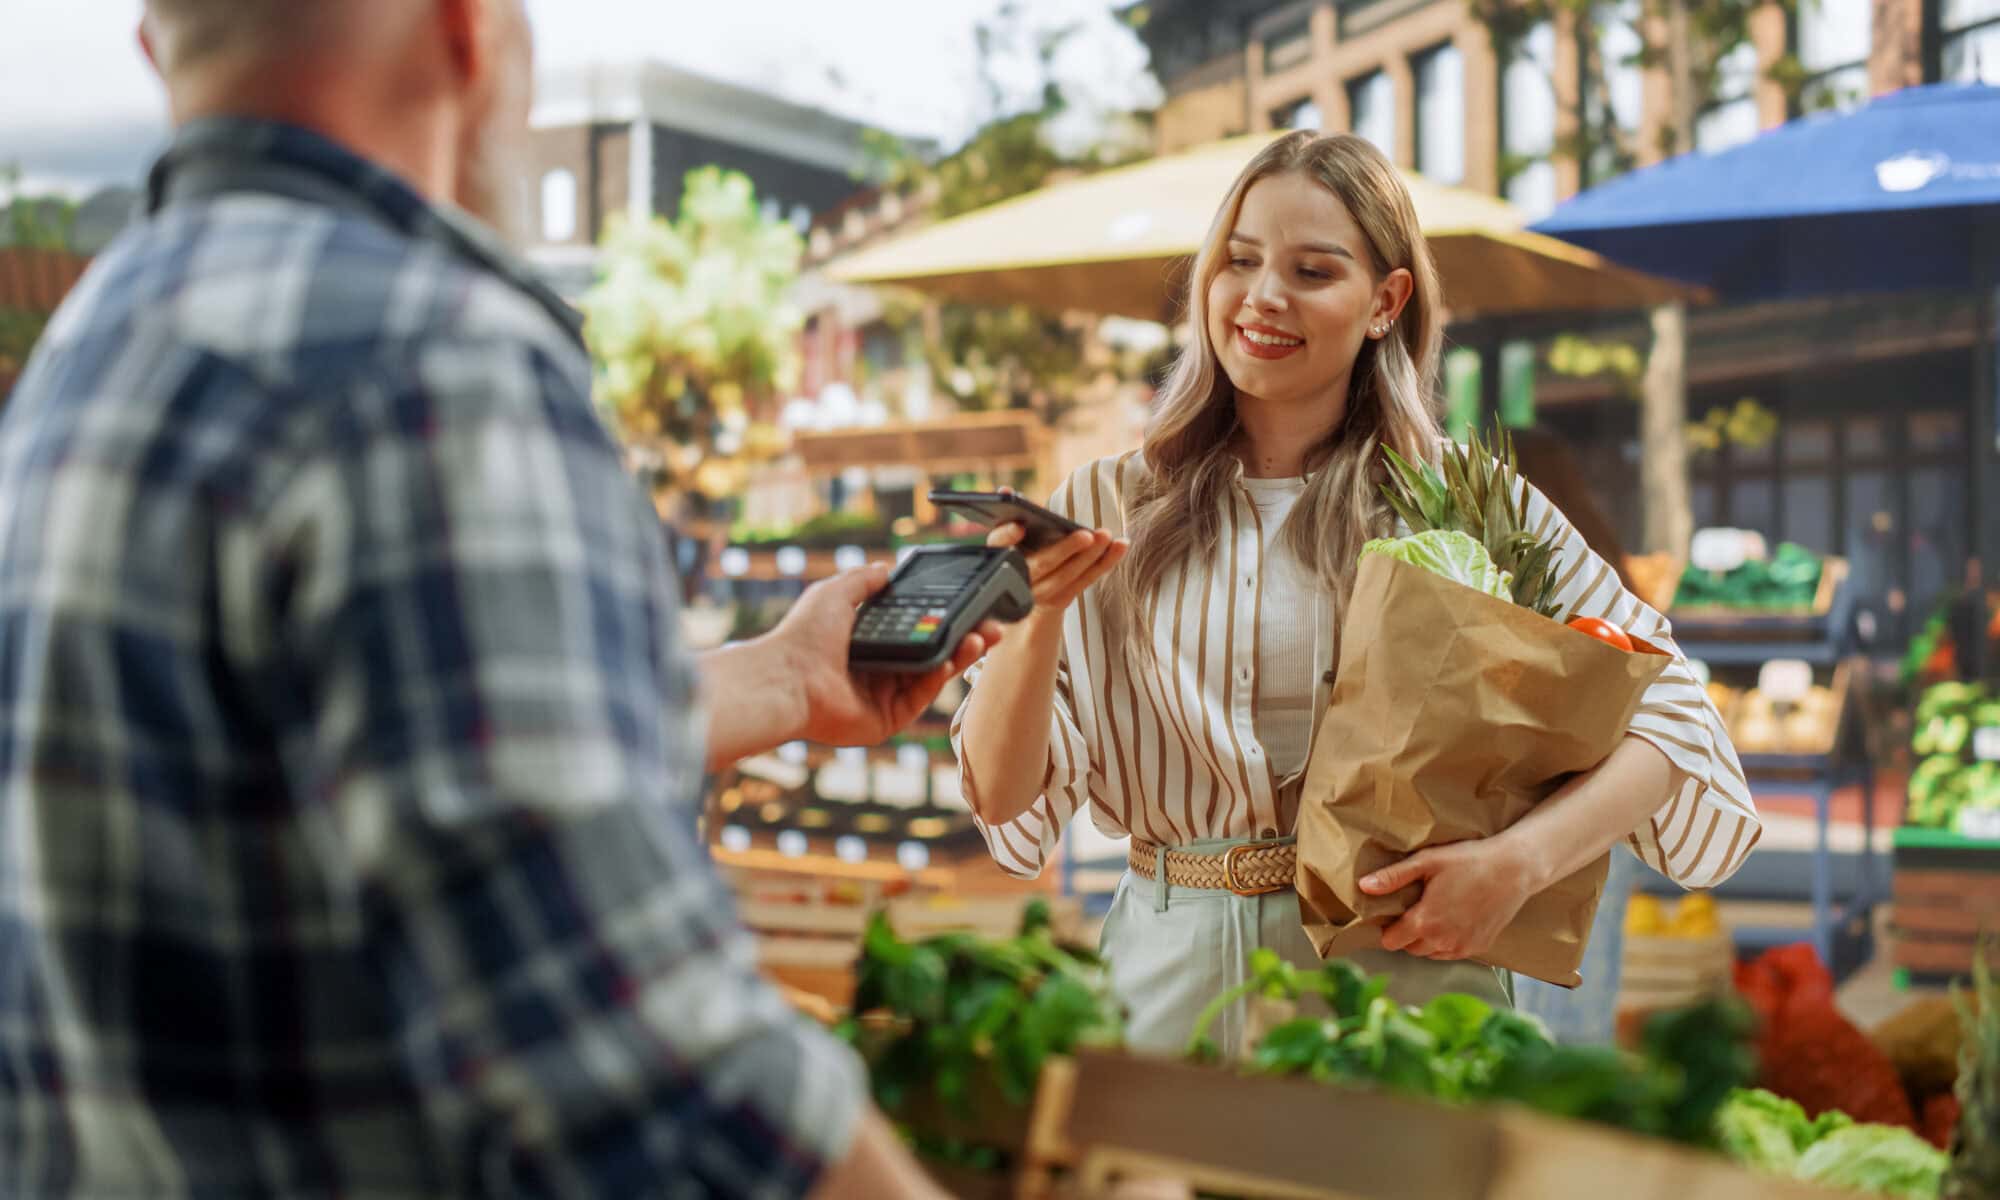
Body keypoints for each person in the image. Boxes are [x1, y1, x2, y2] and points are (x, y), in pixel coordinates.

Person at [0, 2, 980, 1196]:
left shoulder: (93, 345)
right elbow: (635, 1057)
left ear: (164, 52)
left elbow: (344, 769)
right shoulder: (424, 359)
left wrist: (779, 676)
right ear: (467, 33)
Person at [952, 131, 1762, 1057]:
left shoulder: (1466, 505)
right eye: (1240, 261)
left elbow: (1674, 709)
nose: (1264, 296)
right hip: (1169, 995)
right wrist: (1037, 614)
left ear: (1386, 301)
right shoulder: (1099, 508)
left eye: (1313, 270)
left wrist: (1518, 863)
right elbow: (1005, 792)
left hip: (1413, 987)